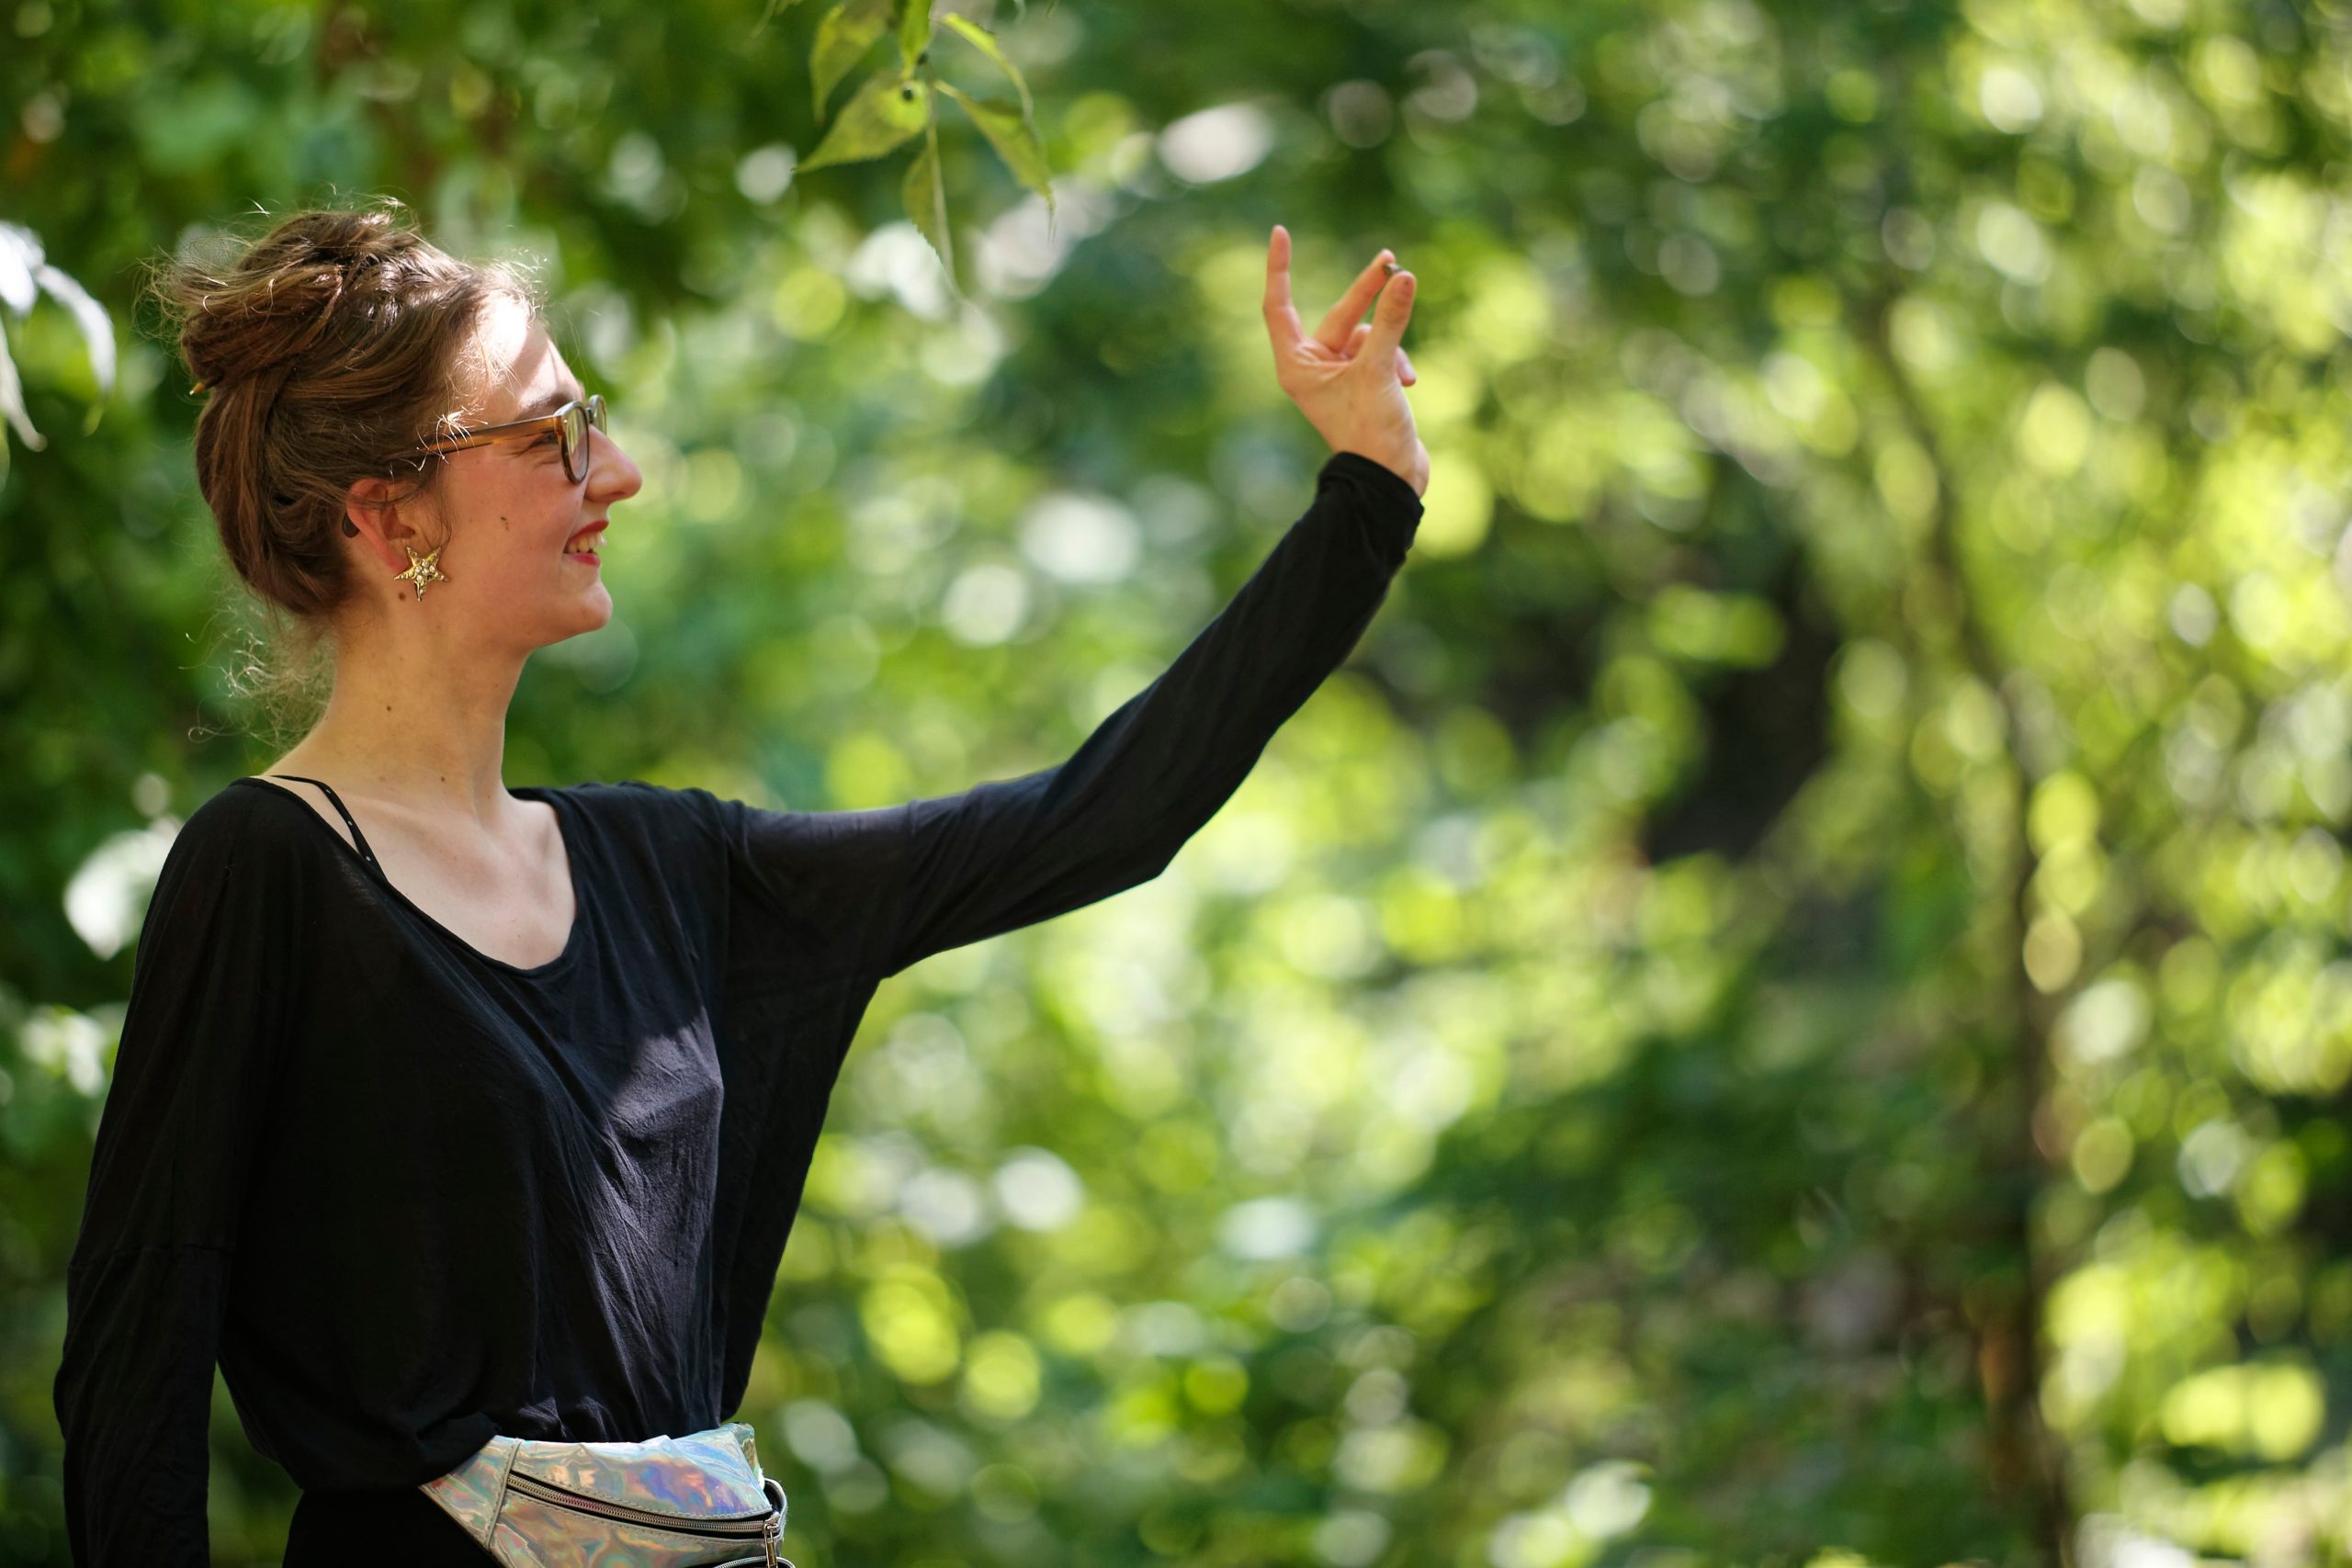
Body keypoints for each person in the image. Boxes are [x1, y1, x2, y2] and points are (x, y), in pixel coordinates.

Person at [51, 202, 1428, 1565]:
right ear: (385, 509)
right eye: (554, 434)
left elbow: (1098, 821)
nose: (622, 472)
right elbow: (135, 1364)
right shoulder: (269, 870)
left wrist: (1369, 490)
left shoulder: (673, 871)